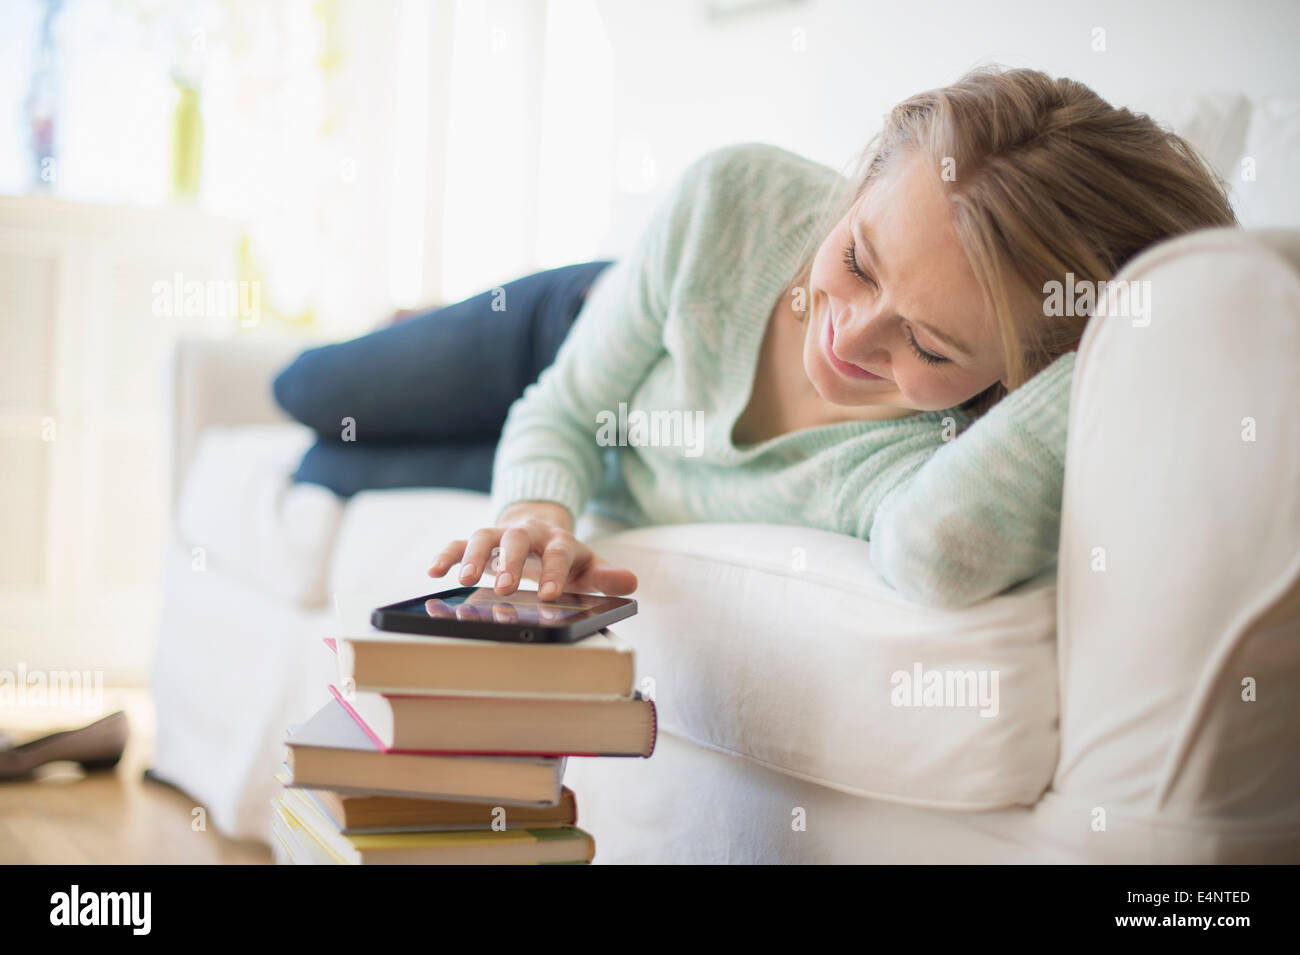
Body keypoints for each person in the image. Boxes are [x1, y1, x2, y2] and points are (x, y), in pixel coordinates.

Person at [276, 66, 1236, 609]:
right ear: (859, 185)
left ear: (1017, 380)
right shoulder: (731, 201)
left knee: (332, 462)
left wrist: (1123, 334)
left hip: (616, 464)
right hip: (573, 333)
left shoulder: (923, 465)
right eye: (858, 259)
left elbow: (940, 555)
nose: (848, 340)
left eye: (932, 349)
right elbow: (566, 407)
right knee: (309, 393)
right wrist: (542, 499)